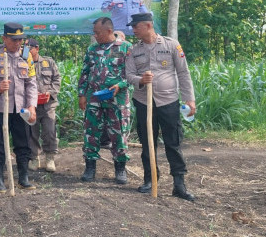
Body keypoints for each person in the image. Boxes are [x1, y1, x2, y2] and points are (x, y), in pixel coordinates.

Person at [125, 12, 196, 201]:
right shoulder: (133, 51)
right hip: (143, 102)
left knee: (173, 142)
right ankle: (150, 179)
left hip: (168, 101)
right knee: (148, 143)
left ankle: (179, 184)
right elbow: (129, 75)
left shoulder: (171, 45)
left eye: (136, 26)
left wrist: (190, 99)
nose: (133, 30)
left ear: (148, 25)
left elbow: (183, 72)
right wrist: (141, 79)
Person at [0, 22, 38, 192]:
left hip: (20, 108)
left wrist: (32, 106)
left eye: (20, 40)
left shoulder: (26, 55)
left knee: (23, 142)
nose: (18, 43)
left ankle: (23, 177)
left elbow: (31, 83)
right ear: (4, 38)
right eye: (14, 40)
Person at [77, 17, 132, 184]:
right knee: (91, 133)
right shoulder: (92, 49)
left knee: (119, 134)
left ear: (109, 31)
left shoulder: (125, 48)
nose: (95, 36)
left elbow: (132, 74)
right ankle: (90, 167)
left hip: (118, 100)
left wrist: (120, 85)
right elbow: (85, 73)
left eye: (97, 32)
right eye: (94, 33)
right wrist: (81, 94)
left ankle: (120, 169)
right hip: (95, 98)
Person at [26, 38, 61, 173]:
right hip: (31, 104)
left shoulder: (48, 62)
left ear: (37, 48)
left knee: (49, 131)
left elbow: (57, 79)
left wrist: (50, 93)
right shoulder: (23, 63)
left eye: (30, 48)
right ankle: (34, 158)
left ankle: (50, 157)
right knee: (32, 132)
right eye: (26, 48)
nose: (28, 51)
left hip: (48, 104)